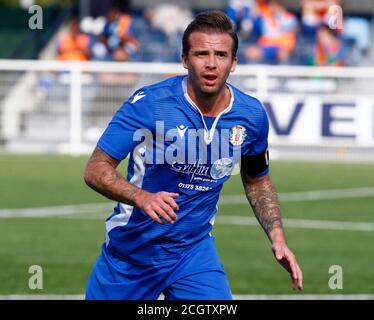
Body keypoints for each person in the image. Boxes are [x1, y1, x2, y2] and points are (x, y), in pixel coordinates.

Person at [84, 10, 303, 300]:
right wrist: (141, 197)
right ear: (185, 60)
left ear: (234, 62)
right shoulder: (149, 104)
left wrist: (277, 236)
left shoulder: (251, 115)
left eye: (221, 55)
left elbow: (257, 180)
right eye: (201, 54)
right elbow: (96, 169)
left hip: (192, 254)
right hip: (132, 254)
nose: (211, 64)